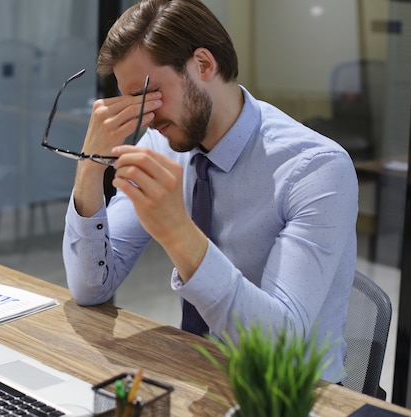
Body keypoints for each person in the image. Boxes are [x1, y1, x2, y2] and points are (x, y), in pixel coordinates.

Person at [61, 0, 357, 383]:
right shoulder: (160, 144)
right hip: (198, 374)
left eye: (148, 94)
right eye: (131, 101)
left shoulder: (316, 169)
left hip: (290, 395)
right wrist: (90, 167)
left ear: (203, 64)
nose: (142, 117)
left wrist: (178, 233)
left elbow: (278, 346)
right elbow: (90, 287)